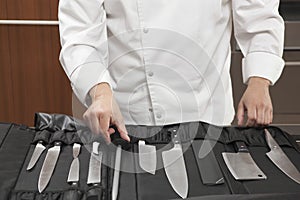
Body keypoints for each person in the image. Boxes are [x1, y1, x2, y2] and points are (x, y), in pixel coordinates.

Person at [58, 0, 284, 143]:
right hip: (124, 115)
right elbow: (80, 34)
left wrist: (259, 80)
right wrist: (99, 92)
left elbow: (260, 18)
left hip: (206, 110)